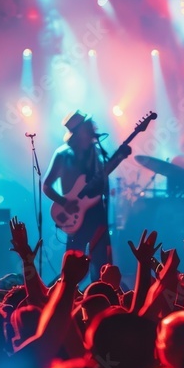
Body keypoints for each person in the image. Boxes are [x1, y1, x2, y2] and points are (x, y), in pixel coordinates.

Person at [43, 110, 131, 281]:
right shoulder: (63, 155)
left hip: (97, 213)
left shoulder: (96, 152)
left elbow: (102, 175)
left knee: (100, 265)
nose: (93, 126)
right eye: (88, 124)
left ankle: (100, 295)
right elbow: (47, 185)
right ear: (80, 130)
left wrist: (119, 158)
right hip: (74, 215)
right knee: (72, 267)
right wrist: (64, 202)